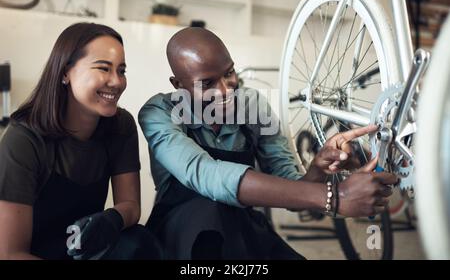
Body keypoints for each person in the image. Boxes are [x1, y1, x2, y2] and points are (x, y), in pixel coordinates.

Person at [138, 27, 398, 260]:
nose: (226, 90)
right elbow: (207, 175)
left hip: (241, 225)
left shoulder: (252, 105)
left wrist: (318, 169)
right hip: (185, 234)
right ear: (178, 85)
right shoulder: (158, 113)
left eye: (229, 73)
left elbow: (294, 193)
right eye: (207, 84)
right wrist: (335, 197)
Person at [0, 22, 163, 260]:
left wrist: (112, 219)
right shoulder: (24, 139)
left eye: (121, 70)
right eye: (103, 68)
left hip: (84, 252)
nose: (116, 81)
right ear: (66, 72)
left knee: (138, 241)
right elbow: (11, 253)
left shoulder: (121, 125)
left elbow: (130, 205)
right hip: (32, 254)